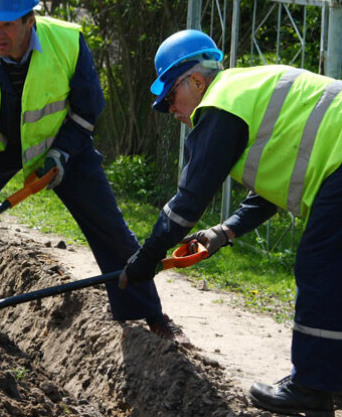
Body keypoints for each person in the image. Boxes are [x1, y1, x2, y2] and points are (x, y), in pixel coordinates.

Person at [0, 0, 187, 343]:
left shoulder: (67, 42)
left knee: (109, 226)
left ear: (29, 19)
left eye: (7, 25)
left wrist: (62, 154)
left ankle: (147, 312)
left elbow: (87, 110)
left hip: (64, 144)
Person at [119, 29, 342, 416]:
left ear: (196, 80)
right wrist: (225, 231)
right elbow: (271, 191)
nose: (171, 109)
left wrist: (147, 259)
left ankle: (312, 386)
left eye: (171, 96)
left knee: (320, 265)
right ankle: (327, 379)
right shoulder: (244, 93)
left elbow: (187, 203)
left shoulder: (220, 105)